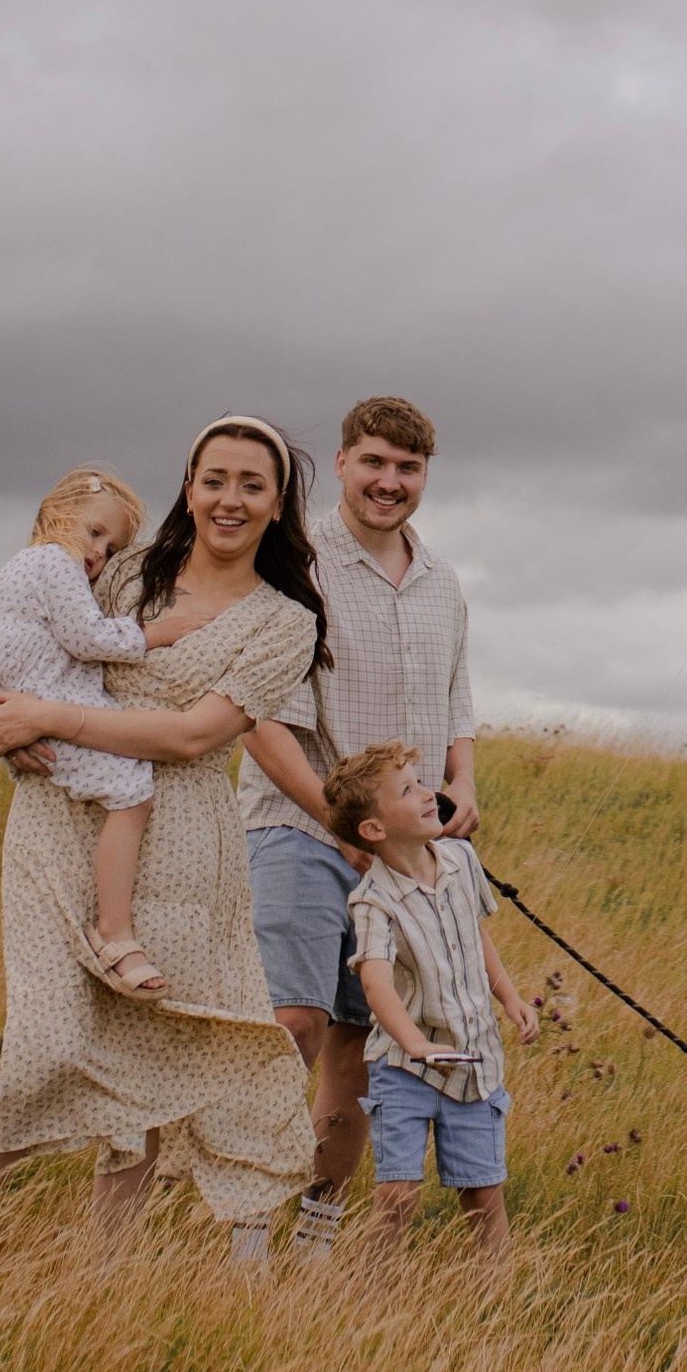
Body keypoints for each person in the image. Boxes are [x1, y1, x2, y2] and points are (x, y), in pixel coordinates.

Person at [0, 416, 328, 1261]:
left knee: (148, 1061)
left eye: (250, 484)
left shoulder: (284, 623)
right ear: (189, 486)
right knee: (45, 1044)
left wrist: (48, 714)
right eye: (213, 478)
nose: (229, 498)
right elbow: (22, 629)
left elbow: (193, 737)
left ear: (278, 505)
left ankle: (105, 1271)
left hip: (185, 843)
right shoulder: (120, 575)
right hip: (60, 821)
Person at [235, 394, 476, 1247]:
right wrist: (341, 824)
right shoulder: (296, 566)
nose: (390, 482)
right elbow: (262, 720)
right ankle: (246, 1225)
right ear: (340, 465)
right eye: (373, 462)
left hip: (403, 853)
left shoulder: (443, 581)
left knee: (361, 1047)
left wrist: (461, 784)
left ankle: (318, 1223)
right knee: (293, 1024)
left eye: (407, 469)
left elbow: (457, 700)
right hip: (297, 831)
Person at [329, 738, 535, 1263]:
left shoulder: (461, 860)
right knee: (396, 1196)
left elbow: (476, 935)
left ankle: (494, 1301)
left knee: (483, 1196)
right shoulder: (371, 901)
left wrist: (510, 999)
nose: (428, 794)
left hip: (475, 1062)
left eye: (421, 783)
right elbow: (375, 981)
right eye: (408, 790)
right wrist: (416, 1043)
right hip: (405, 1068)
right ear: (374, 830)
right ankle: (366, 1302)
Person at [0, 468, 164, 992]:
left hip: (29, 703)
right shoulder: (56, 562)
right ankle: (115, 932)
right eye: (95, 533)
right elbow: (86, 638)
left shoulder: (16, 568)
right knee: (133, 793)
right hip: (55, 707)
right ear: (57, 514)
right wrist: (154, 634)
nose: (98, 554)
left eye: (111, 549)